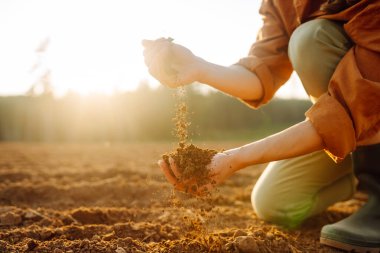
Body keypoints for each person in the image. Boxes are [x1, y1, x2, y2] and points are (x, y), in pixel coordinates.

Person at [142, 0, 380, 252]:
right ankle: (363, 176)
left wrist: (236, 159)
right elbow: (261, 74)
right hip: (356, 125)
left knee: (311, 40)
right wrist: (199, 68)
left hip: (367, 103)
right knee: (275, 202)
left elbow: (363, 98)